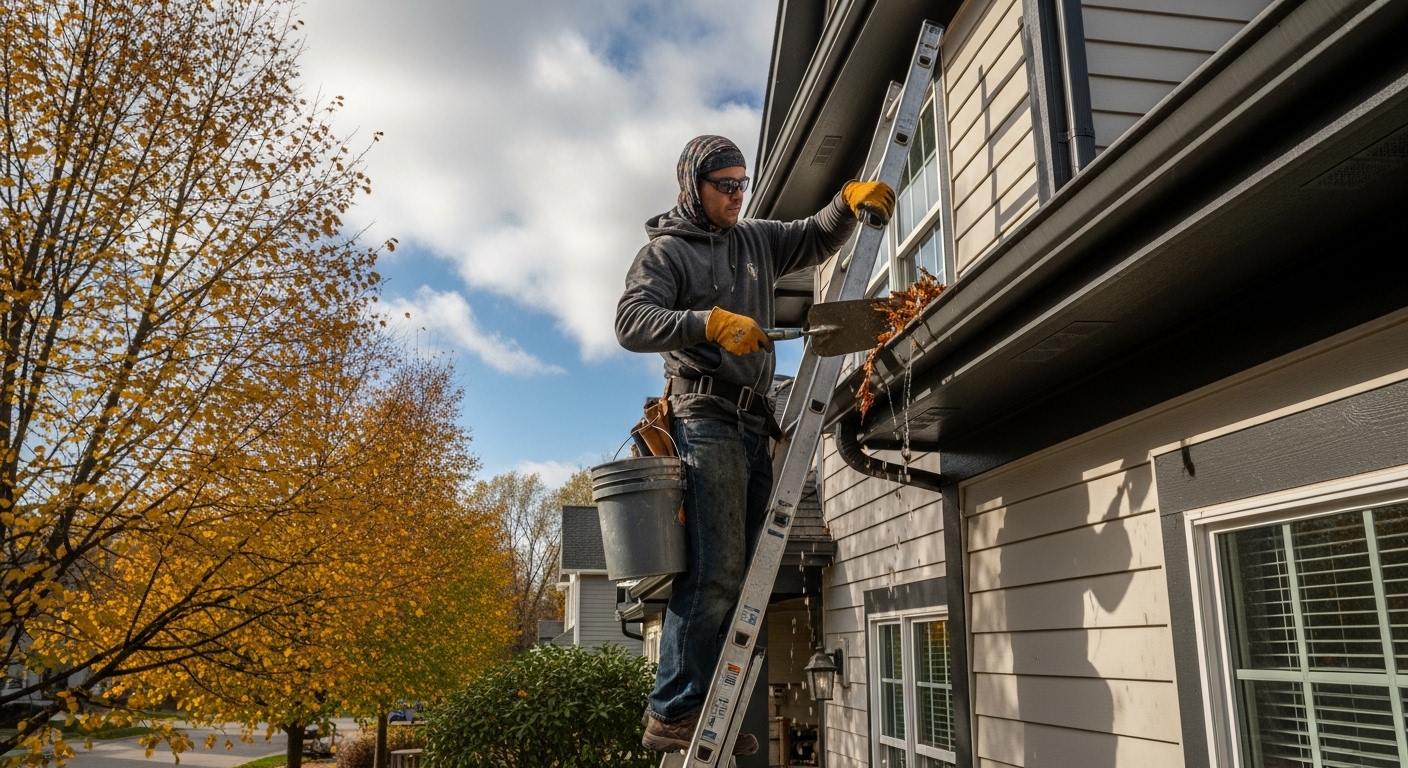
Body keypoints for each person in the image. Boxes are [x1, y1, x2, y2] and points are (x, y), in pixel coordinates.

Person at [615, 135, 895, 755]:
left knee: (743, 576)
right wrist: (707, 323)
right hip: (704, 415)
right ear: (693, 186)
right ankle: (672, 710)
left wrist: (847, 202)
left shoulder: (755, 240)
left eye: (742, 184)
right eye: (725, 186)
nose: (737, 196)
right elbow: (630, 322)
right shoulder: (666, 253)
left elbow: (814, 236)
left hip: (753, 420)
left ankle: (708, 709)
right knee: (713, 570)